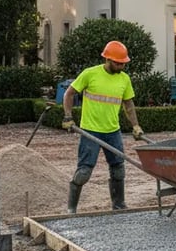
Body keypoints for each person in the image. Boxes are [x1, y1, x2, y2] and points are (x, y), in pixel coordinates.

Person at [61, 40, 145, 213]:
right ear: (107, 59)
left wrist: (135, 126)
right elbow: (69, 93)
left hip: (113, 132)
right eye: (117, 63)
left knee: (118, 170)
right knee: (84, 172)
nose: (121, 66)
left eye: (123, 63)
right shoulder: (90, 74)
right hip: (90, 130)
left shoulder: (124, 79)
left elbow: (128, 105)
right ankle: (71, 209)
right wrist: (68, 116)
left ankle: (119, 205)